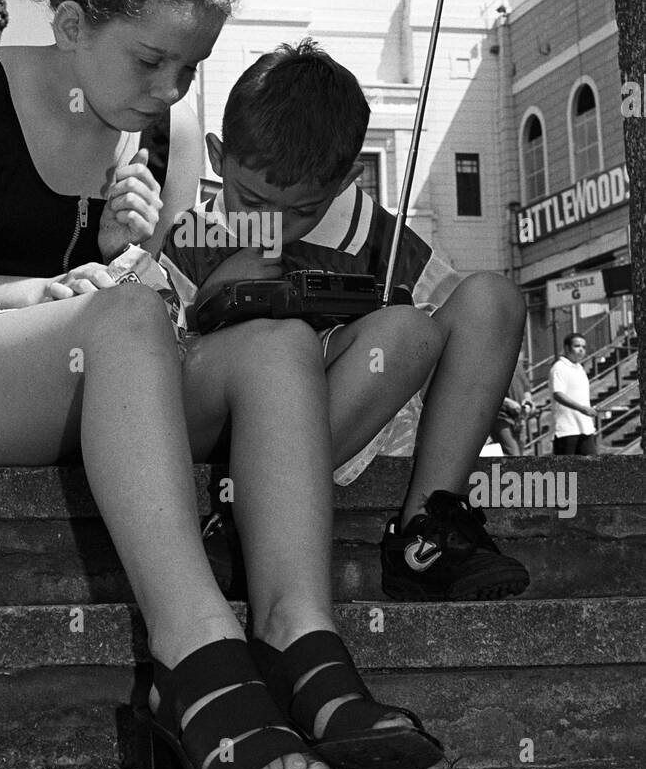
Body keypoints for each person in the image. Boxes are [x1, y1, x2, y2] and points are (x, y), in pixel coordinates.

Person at [0, 0, 443, 769]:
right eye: (152, 60)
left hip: (93, 364)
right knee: (124, 322)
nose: (169, 89)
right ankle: (193, 655)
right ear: (76, 21)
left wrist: (121, 259)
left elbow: (149, 297)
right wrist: (46, 292)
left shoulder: (153, 128)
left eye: (189, 65)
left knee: (273, 337)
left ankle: (299, 634)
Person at [161, 39, 531, 603]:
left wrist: (482, 383)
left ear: (343, 181)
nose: (276, 225)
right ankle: (252, 514)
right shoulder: (194, 236)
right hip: (228, 426)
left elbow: (464, 323)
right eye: (253, 201)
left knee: (492, 299)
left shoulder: (378, 236)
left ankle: (426, 531)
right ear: (218, 157)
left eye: (303, 210)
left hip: (349, 406)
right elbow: (161, 367)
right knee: (399, 333)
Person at [549, 332, 597, 454]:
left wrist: (586, 410)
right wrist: (582, 409)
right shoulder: (559, 367)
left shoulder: (580, 369)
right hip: (566, 429)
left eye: (584, 347)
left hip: (585, 428)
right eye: (577, 346)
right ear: (566, 348)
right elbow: (558, 394)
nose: (581, 350)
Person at [490, 357, 535, 454]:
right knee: (513, 452)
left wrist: (527, 401)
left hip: (519, 416)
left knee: (520, 453)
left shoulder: (517, 364)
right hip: (501, 417)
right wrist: (507, 402)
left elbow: (526, 388)